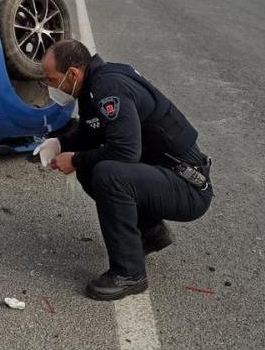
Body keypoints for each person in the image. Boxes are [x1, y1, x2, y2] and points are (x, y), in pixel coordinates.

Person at [34, 39, 213, 301]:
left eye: (52, 80)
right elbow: (93, 131)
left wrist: (76, 160)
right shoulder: (95, 84)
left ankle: (129, 273)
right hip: (166, 175)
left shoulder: (108, 88)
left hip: (189, 186)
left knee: (108, 175)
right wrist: (61, 143)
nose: (51, 87)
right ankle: (150, 233)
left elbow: (126, 151)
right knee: (93, 169)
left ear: (72, 73)